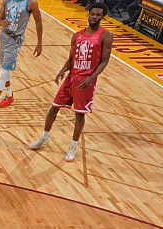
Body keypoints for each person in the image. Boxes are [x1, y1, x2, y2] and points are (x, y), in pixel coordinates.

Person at [29, 2, 113, 161]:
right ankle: (44, 137)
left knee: (79, 115)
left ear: (103, 17)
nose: (94, 17)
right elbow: (71, 59)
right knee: (54, 108)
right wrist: (63, 70)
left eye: (98, 15)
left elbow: (104, 61)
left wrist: (91, 78)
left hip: (86, 80)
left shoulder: (105, 35)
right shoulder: (77, 35)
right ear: (88, 14)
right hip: (72, 77)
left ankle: (72, 147)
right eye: (92, 14)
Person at [0, 0, 43, 119]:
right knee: (4, 67)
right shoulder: (7, 0)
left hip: (15, 41)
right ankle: (9, 95)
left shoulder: (31, 3)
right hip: (3, 37)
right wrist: (2, 22)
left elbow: (38, 22)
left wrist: (39, 43)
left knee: (3, 72)